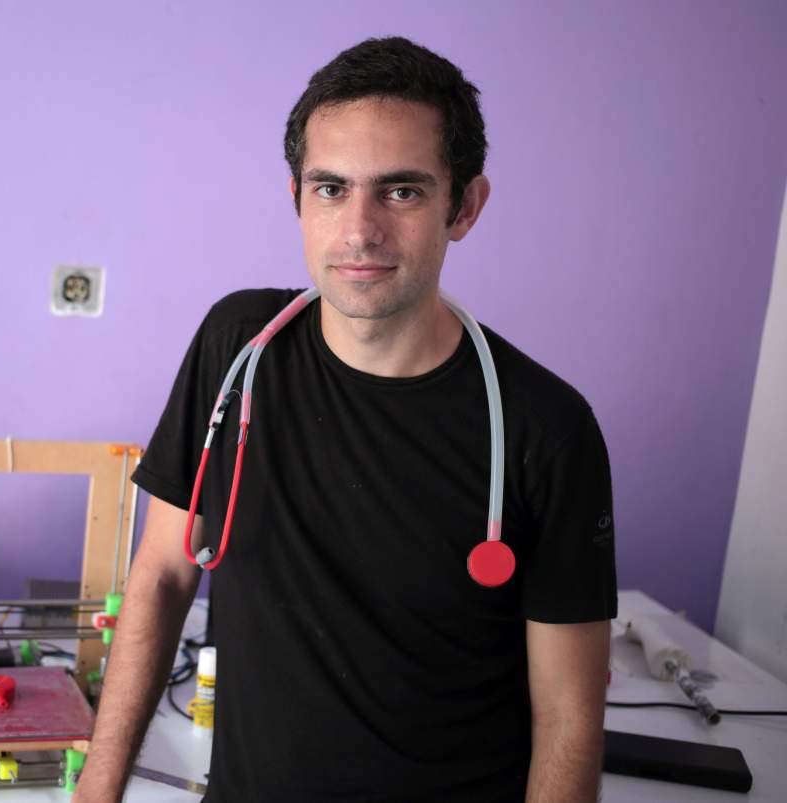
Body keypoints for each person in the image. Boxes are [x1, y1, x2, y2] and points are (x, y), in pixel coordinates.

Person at [74, 36, 616, 803]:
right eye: (331, 188)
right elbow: (163, 574)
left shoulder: (545, 431)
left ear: (464, 207)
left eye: (401, 192)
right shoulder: (238, 352)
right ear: (296, 196)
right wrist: (97, 791)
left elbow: (568, 718)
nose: (359, 230)